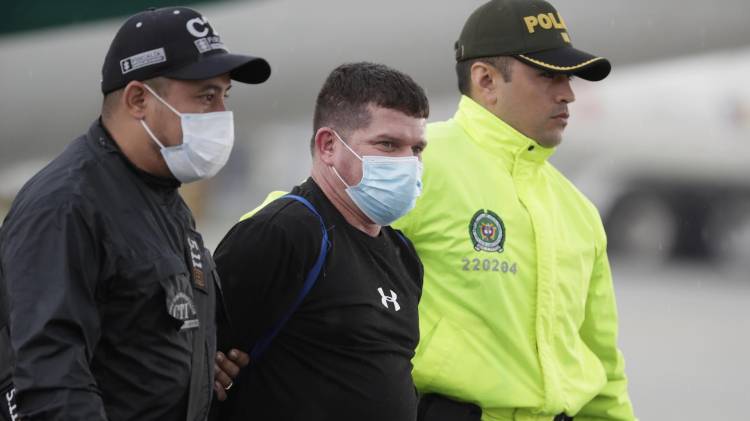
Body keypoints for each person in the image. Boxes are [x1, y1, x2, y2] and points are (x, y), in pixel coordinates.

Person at [0, 7, 270, 420]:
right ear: (139, 99)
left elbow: (138, 334)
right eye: (205, 95)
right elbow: (51, 386)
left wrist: (197, 368)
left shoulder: (161, 197)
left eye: (224, 95)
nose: (221, 113)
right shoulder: (67, 207)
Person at [392, 1, 638, 420]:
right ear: (485, 80)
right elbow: (292, 231)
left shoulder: (577, 209)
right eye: (547, 75)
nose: (569, 93)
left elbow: (603, 369)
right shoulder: (414, 163)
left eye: (569, 77)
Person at [211, 62, 428, 421]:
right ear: (328, 145)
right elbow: (199, 359)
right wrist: (210, 364)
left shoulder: (402, 254)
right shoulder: (284, 233)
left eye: (417, 148)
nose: (408, 163)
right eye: (388, 144)